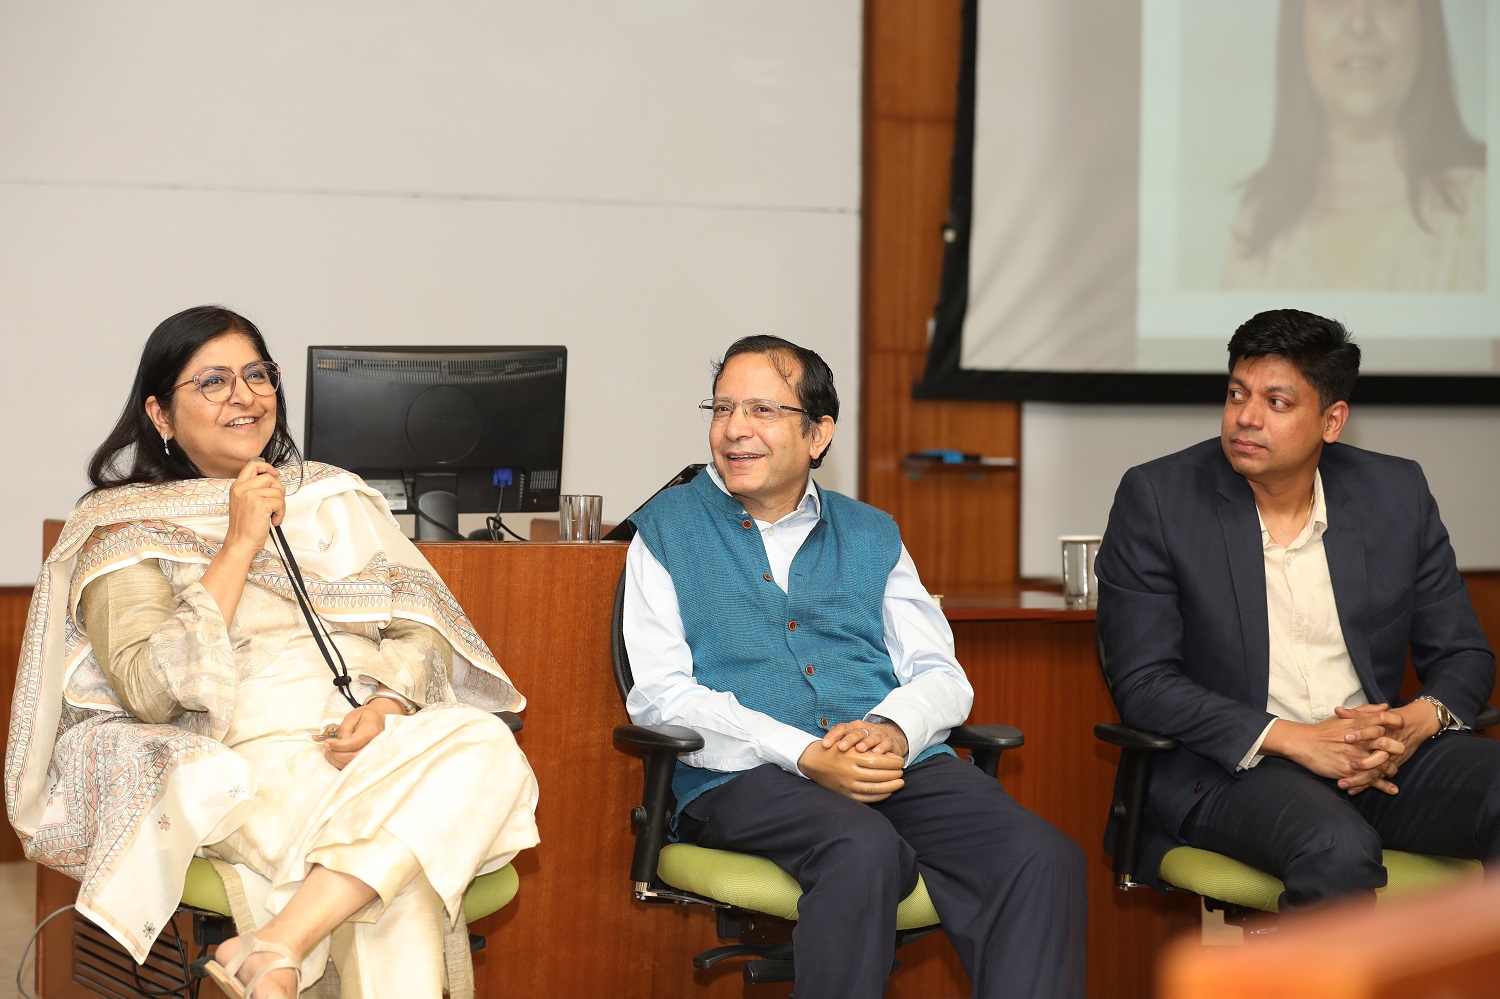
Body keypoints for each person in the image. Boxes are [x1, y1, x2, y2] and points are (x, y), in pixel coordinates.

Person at [6, 306, 539, 999]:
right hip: (244, 757)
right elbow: (148, 690)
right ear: (161, 414)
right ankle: (278, 948)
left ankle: (273, 944)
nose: (246, 395)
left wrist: (386, 700)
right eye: (215, 381)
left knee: (483, 740)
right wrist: (238, 542)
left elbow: (422, 631)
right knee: (401, 873)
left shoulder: (332, 498)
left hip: (378, 742)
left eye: (258, 374)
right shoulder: (123, 529)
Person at [622, 335, 1086, 998]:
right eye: (722, 408)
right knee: (863, 850)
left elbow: (940, 671)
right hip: (743, 778)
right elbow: (661, 698)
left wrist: (892, 729)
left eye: (761, 410)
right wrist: (806, 753)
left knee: (1041, 855)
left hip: (890, 764)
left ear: (818, 433)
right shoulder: (664, 531)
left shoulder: (872, 533)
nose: (733, 430)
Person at [1095, 308, 1499, 910]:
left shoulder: (1395, 493)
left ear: (1332, 420)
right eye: (1237, 394)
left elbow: (1464, 653)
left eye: (1277, 402)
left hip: (1373, 761)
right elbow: (1144, 681)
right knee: (1336, 848)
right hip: (1236, 767)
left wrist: (1417, 723)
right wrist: (1293, 739)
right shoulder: (1157, 498)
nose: (1246, 418)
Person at [1222, 0, 1486, 291]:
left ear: (1425, 25)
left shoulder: (1487, 209)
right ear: (1298, 28)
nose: (1360, 24)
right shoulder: (1257, 230)